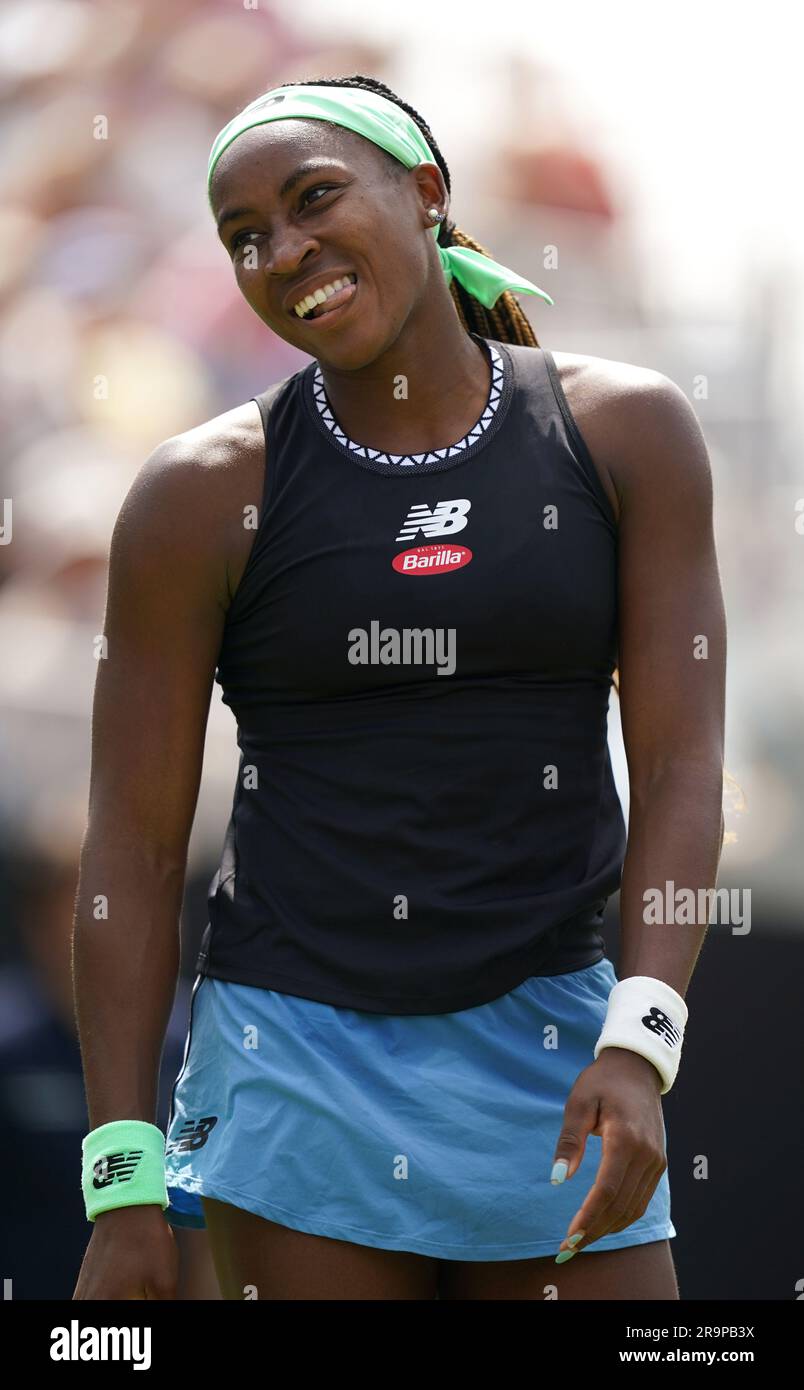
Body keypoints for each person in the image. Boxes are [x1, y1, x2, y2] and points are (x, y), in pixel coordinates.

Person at [72, 75, 726, 1301]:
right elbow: (132, 851)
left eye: (315, 198)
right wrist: (123, 1179)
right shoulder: (196, 493)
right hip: (292, 1063)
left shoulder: (630, 431)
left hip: (557, 1047)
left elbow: (686, 767)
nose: (283, 251)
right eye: (246, 236)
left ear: (426, 193)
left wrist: (641, 1040)